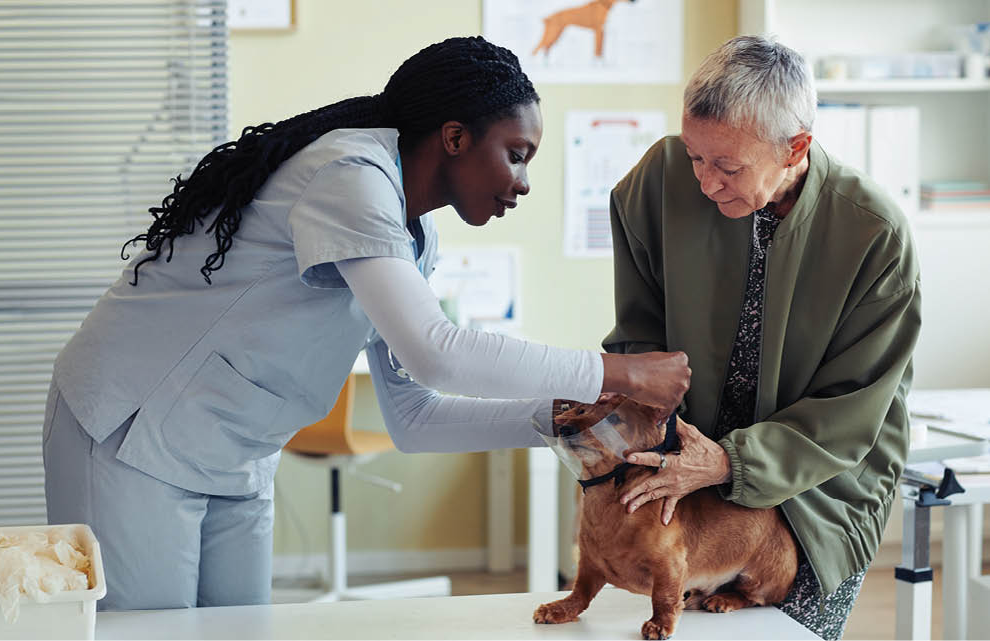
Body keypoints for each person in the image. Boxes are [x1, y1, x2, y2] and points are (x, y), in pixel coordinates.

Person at [41, 36, 690, 611]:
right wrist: (621, 370)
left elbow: (412, 417)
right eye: (516, 154)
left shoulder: (415, 238)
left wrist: (558, 414)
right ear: (456, 136)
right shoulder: (350, 176)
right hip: (128, 430)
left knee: (237, 629)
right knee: (146, 635)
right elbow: (439, 353)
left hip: (235, 452)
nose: (522, 183)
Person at [601, 36, 920, 640]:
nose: (704, 182)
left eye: (728, 166)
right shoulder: (657, 181)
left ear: (795, 146)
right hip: (682, 472)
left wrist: (727, 463)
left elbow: (853, 410)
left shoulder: (873, 234)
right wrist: (630, 430)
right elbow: (638, 336)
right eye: (695, 155)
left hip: (813, 491)